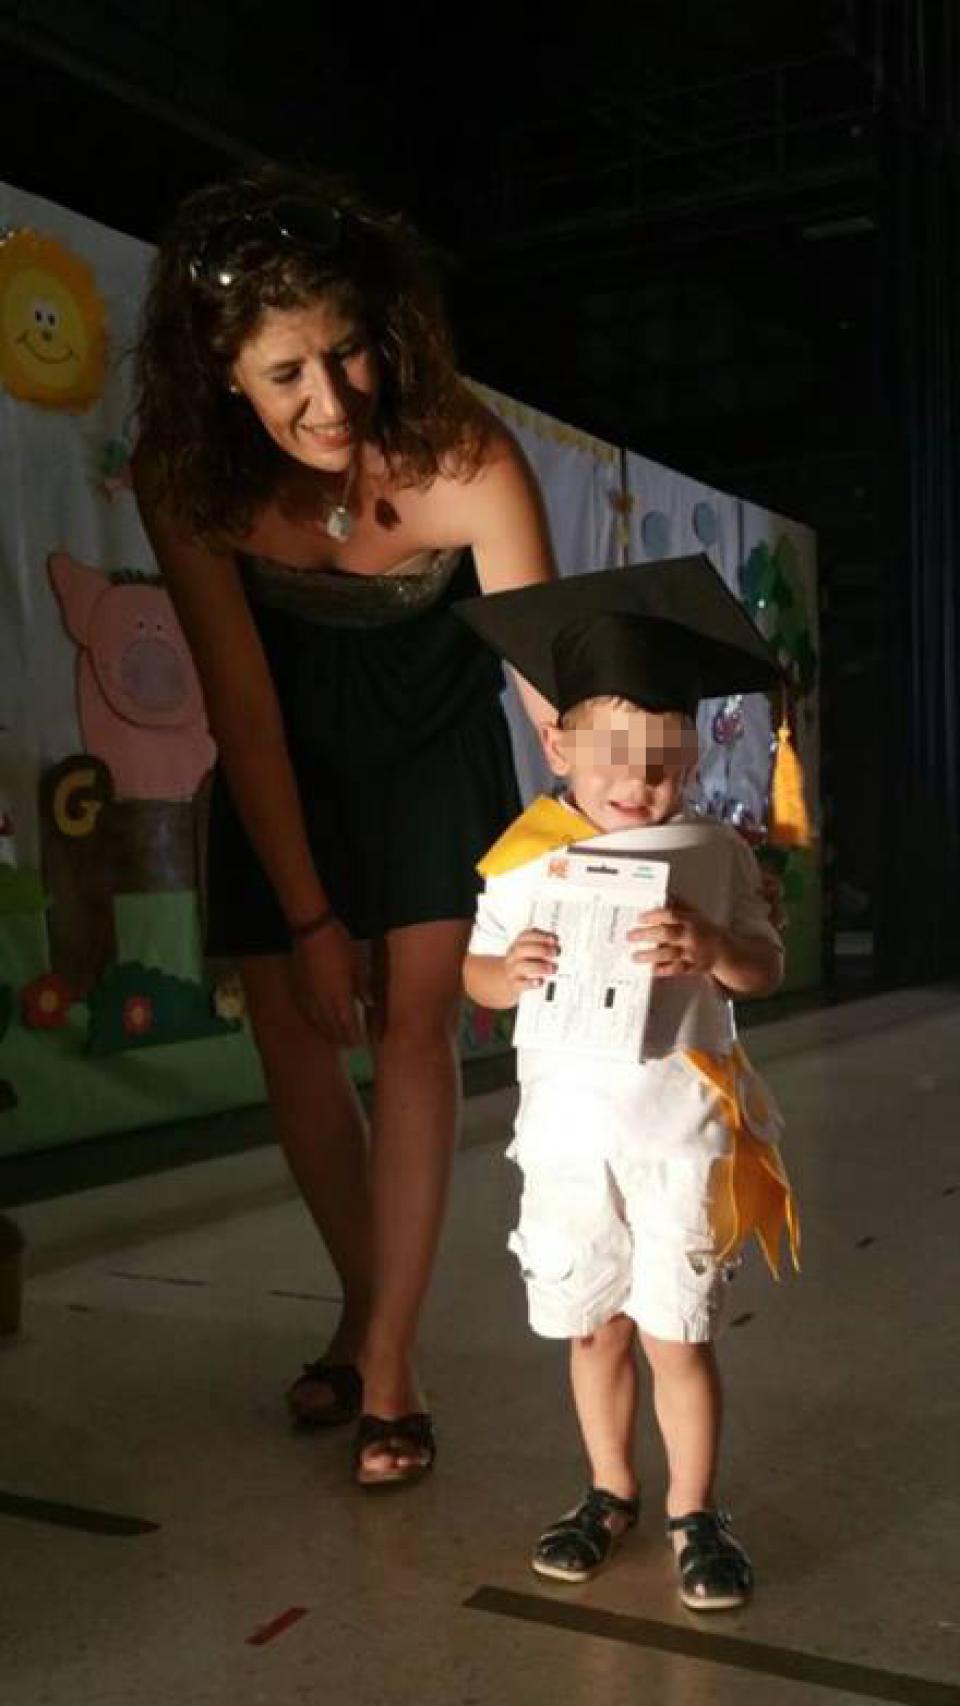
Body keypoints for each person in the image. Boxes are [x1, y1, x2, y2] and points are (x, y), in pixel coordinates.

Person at [133, 165, 556, 1487]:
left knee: (418, 1030)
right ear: (222, 377)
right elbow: (245, 722)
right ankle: (366, 1313)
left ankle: (390, 1369)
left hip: (436, 752)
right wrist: (312, 919)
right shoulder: (186, 480)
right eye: (285, 375)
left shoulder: (468, 450)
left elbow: (551, 693)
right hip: (287, 768)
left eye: (350, 350)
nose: (331, 399)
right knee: (302, 1037)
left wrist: (616, 850)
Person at [459, 557, 800, 1609]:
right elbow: (474, 969)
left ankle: (696, 1510)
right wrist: (502, 975)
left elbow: (764, 966)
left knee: (676, 1330)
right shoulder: (525, 859)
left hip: (677, 1138)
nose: (634, 782)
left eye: (659, 761)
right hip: (567, 1144)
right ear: (558, 743)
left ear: (690, 754)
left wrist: (710, 945)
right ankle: (610, 1488)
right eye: (609, 754)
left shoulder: (709, 850)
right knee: (593, 1325)